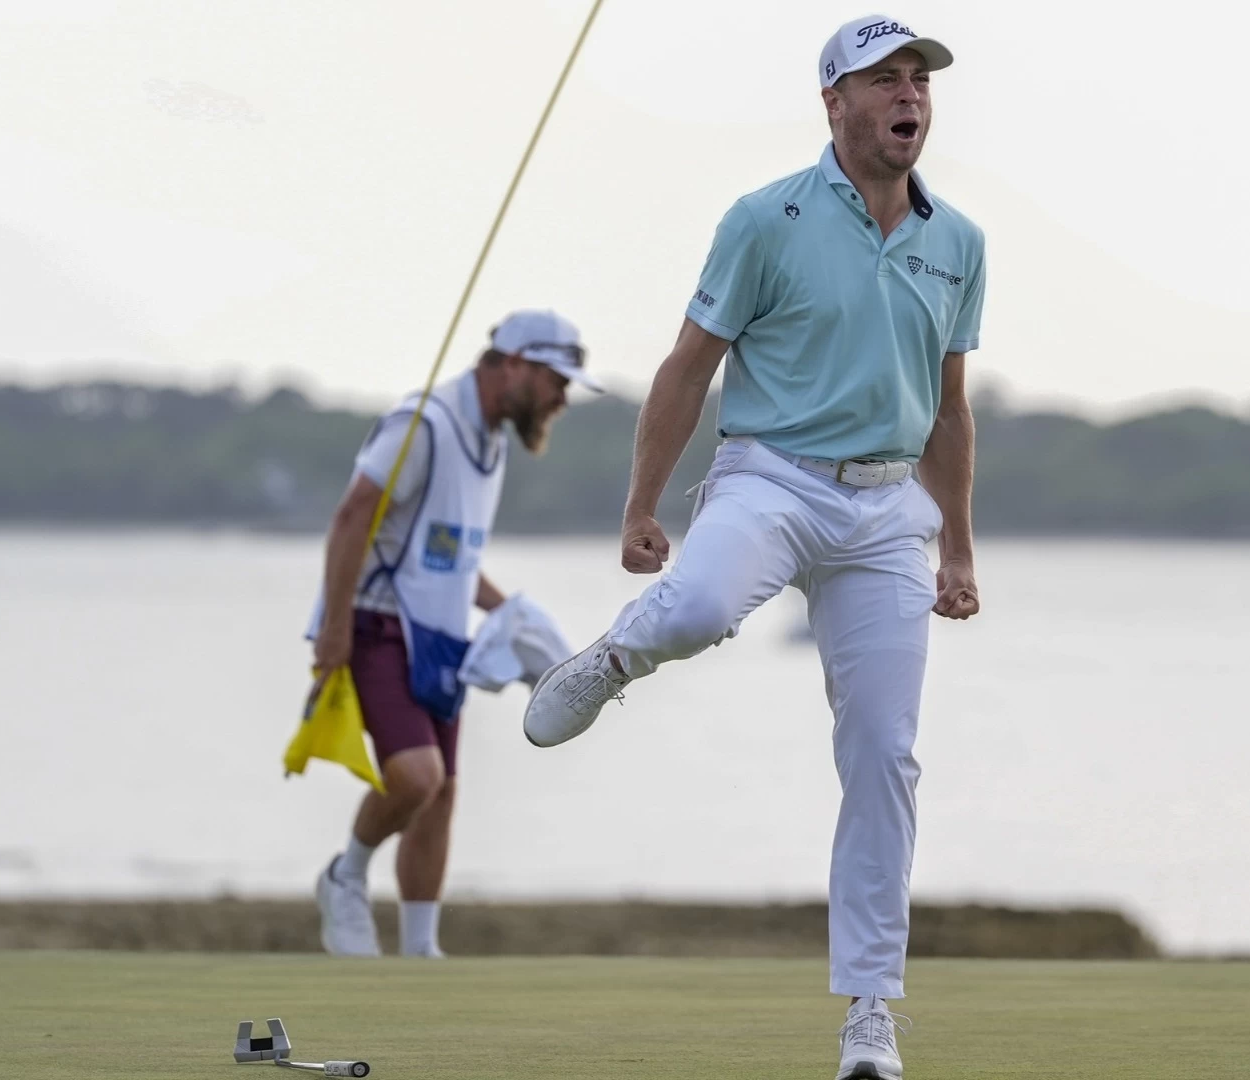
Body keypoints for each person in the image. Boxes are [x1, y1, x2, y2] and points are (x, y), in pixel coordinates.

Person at [523, 15, 981, 1078]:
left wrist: (957, 546)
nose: (907, 95)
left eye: (918, 80)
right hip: (769, 479)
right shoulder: (763, 219)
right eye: (884, 82)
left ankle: (869, 1019)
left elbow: (950, 411)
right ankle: (614, 658)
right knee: (693, 609)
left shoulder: (959, 242)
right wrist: (643, 505)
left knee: (883, 755)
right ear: (836, 103)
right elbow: (687, 370)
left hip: (886, 515)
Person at [309, 309, 602, 958]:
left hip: (440, 632)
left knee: (441, 793)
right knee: (416, 777)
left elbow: (451, 560)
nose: (562, 397)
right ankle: (345, 876)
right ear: (515, 364)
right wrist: (334, 629)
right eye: (557, 380)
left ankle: (420, 948)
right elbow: (353, 513)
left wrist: (514, 614)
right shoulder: (426, 426)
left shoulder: (491, 441)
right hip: (376, 619)